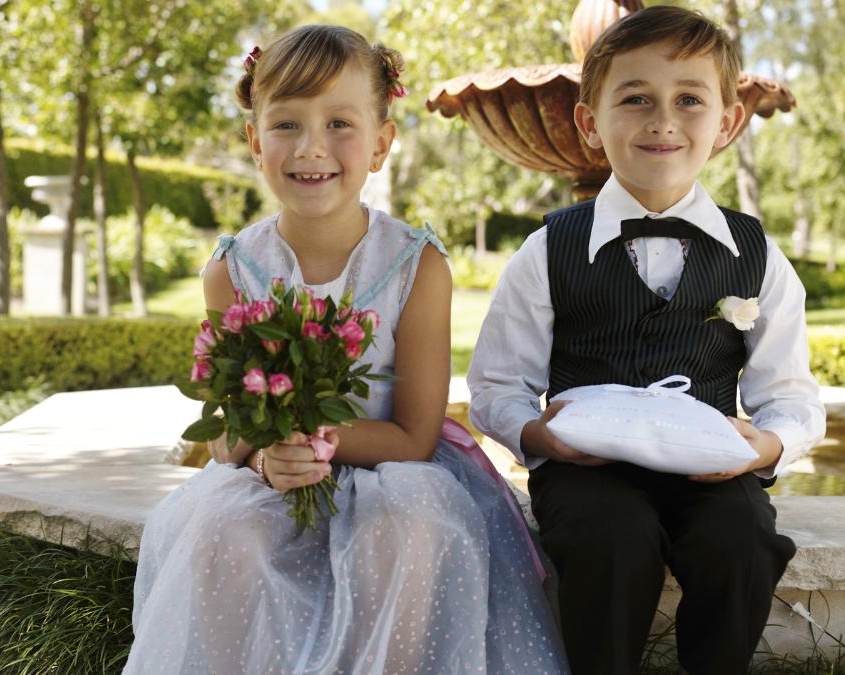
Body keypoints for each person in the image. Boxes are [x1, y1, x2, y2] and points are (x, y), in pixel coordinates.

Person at [123, 24, 568, 675]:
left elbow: (415, 436)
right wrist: (266, 455)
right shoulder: (233, 269)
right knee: (222, 531)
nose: (311, 147)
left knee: (410, 526)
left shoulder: (416, 265)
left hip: (397, 471)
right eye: (286, 124)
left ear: (381, 143)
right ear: (255, 141)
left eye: (339, 123)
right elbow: (228, 432)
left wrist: (313, 434)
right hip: (274, 478)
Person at [467, 6, 826, 675]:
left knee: (743, 540)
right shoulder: (549, 249)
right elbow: (496, 383)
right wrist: (538, 436)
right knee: (610, 539)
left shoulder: (756, 254)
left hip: (708, 466)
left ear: (727, 123)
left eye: (689, 100)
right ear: (589, 123)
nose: (663, 121)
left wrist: (768, 444)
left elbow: (791, 394)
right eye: (635, 99)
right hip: (586, 471)